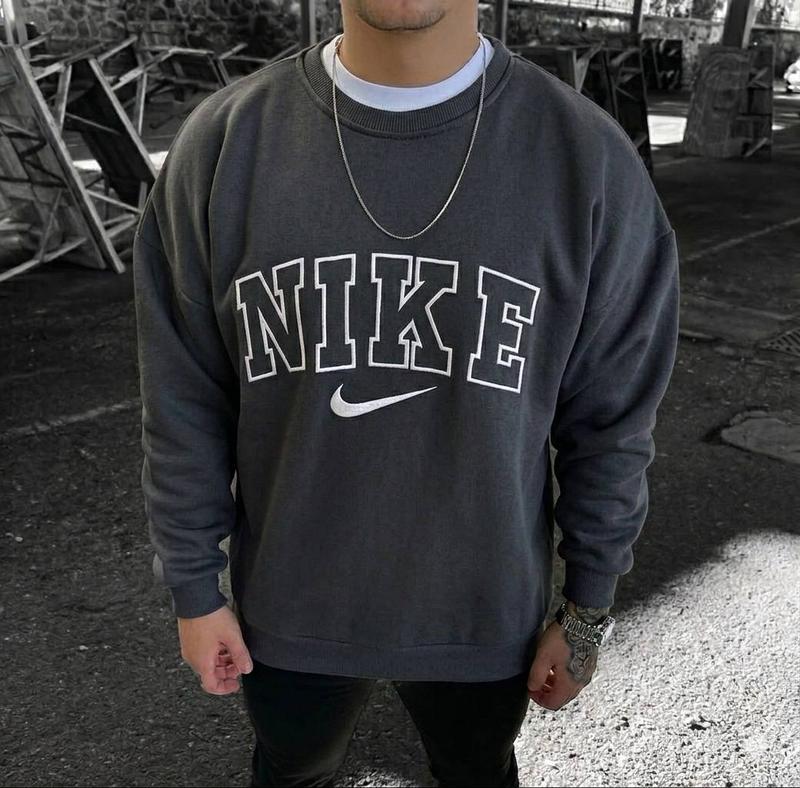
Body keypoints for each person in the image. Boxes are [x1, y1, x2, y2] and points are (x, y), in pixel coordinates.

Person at [132, 0, 680, 785]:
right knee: (293, 770)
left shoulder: (586, 160)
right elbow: (183, 396)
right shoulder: (224, 146)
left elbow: (614, 419)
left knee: (474, 771)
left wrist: (588, 607)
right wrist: (193, 586)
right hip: (290, 610)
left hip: (483, 615)